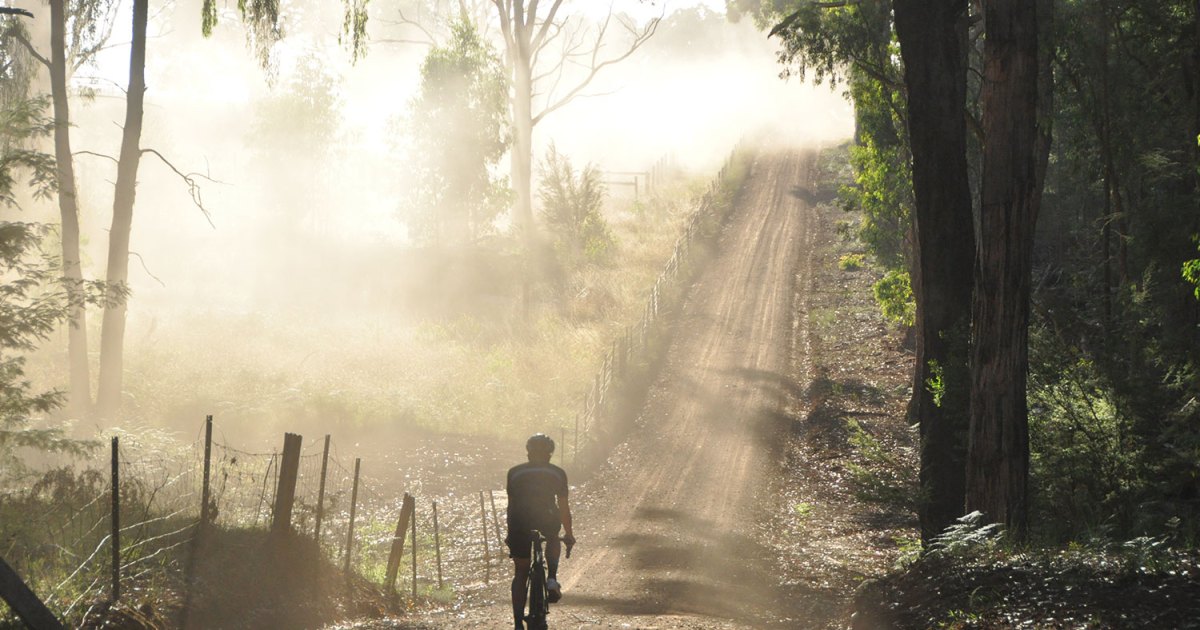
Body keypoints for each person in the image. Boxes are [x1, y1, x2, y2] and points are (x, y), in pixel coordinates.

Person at [506, 433, 575, 630]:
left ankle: (518, 622)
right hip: (546, 517)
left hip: (519, 521)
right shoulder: (557, 473)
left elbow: (511, 506)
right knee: (553, 537)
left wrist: (510, 532)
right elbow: (563, 508)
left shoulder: (514, 472)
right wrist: (568, 534)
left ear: (528, 452)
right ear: (550, 454)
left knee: (520, 571)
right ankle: (551, 578)